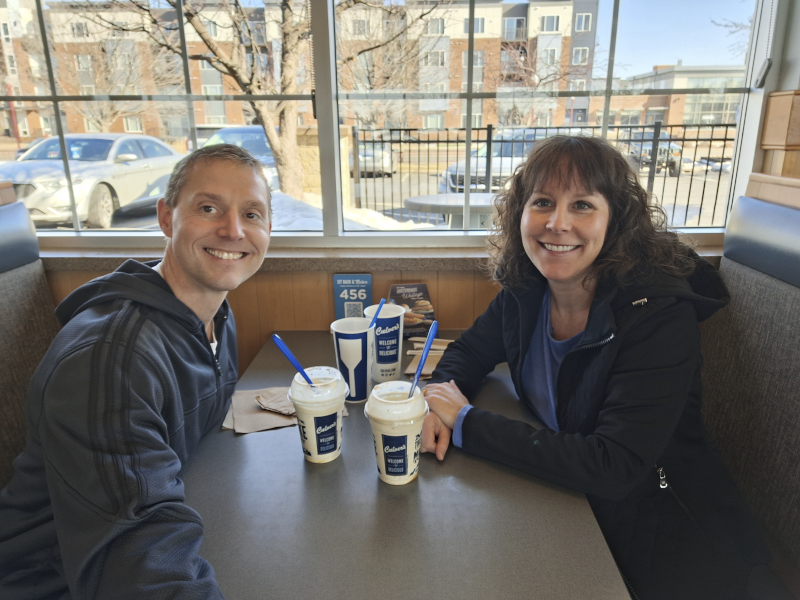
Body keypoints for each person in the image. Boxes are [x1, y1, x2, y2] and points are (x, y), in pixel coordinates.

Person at [419, 135, 769, 599]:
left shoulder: (657, 315)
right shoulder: (526, 290)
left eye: (582, 205)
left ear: (616, 221)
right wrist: (434, 399)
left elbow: (613, 466)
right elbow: (468, 353)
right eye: (542, 202)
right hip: (566, 507)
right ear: (520, 214)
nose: (557, 223)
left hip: (662, 542)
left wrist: (464, 421)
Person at [0, 144, 272, 599]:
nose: (233, 230)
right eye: (209, 208)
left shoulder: (211, 315)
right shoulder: (110, 362)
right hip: (54, 579)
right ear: (166, 218)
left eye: (253, 214)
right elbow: (138, 564)